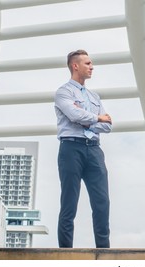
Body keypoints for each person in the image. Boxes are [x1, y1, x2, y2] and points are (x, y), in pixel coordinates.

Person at [54, 49, 113, 248]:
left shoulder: (94, 96)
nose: (92, 67)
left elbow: (107, 126)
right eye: (88, 63)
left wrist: (89, 120)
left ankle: (104, 251)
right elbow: (74, 115)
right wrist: (96, 118)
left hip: (94, 150)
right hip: (71, 149)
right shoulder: (63, 92)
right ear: (75, 65)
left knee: (102, 201)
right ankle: (64, 251)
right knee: (69, 202)